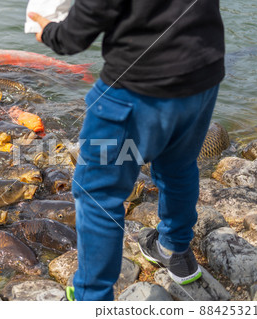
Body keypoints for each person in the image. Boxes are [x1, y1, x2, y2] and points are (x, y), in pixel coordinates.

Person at [28, 0, 225, 301]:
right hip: (203, 71)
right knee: (179, 166)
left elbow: (77, 33)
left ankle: (91, 297)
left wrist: (51, 33)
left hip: (136, 87)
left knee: (97, 193)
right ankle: (175, 249)